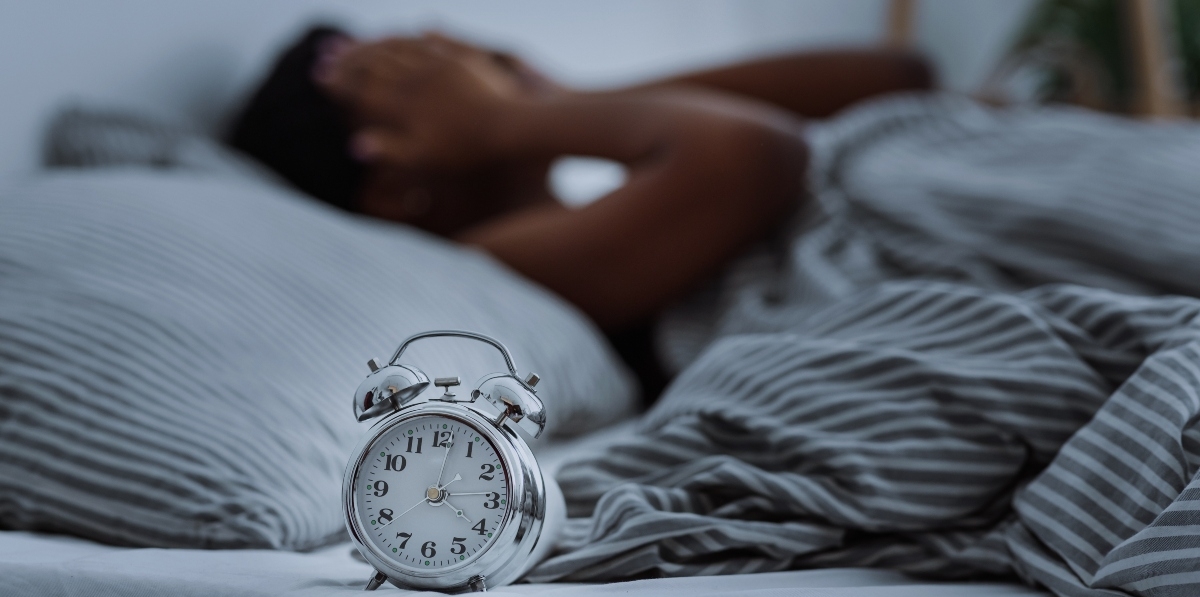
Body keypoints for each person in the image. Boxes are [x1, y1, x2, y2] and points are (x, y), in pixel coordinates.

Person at [228, 26, 933, 399]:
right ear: (391, 185)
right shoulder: (490, 268)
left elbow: (898, 78)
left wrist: (561, 100)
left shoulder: (640, 175)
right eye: (420, 74)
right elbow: (758, 154)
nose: (461, 49)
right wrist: (506, 118)